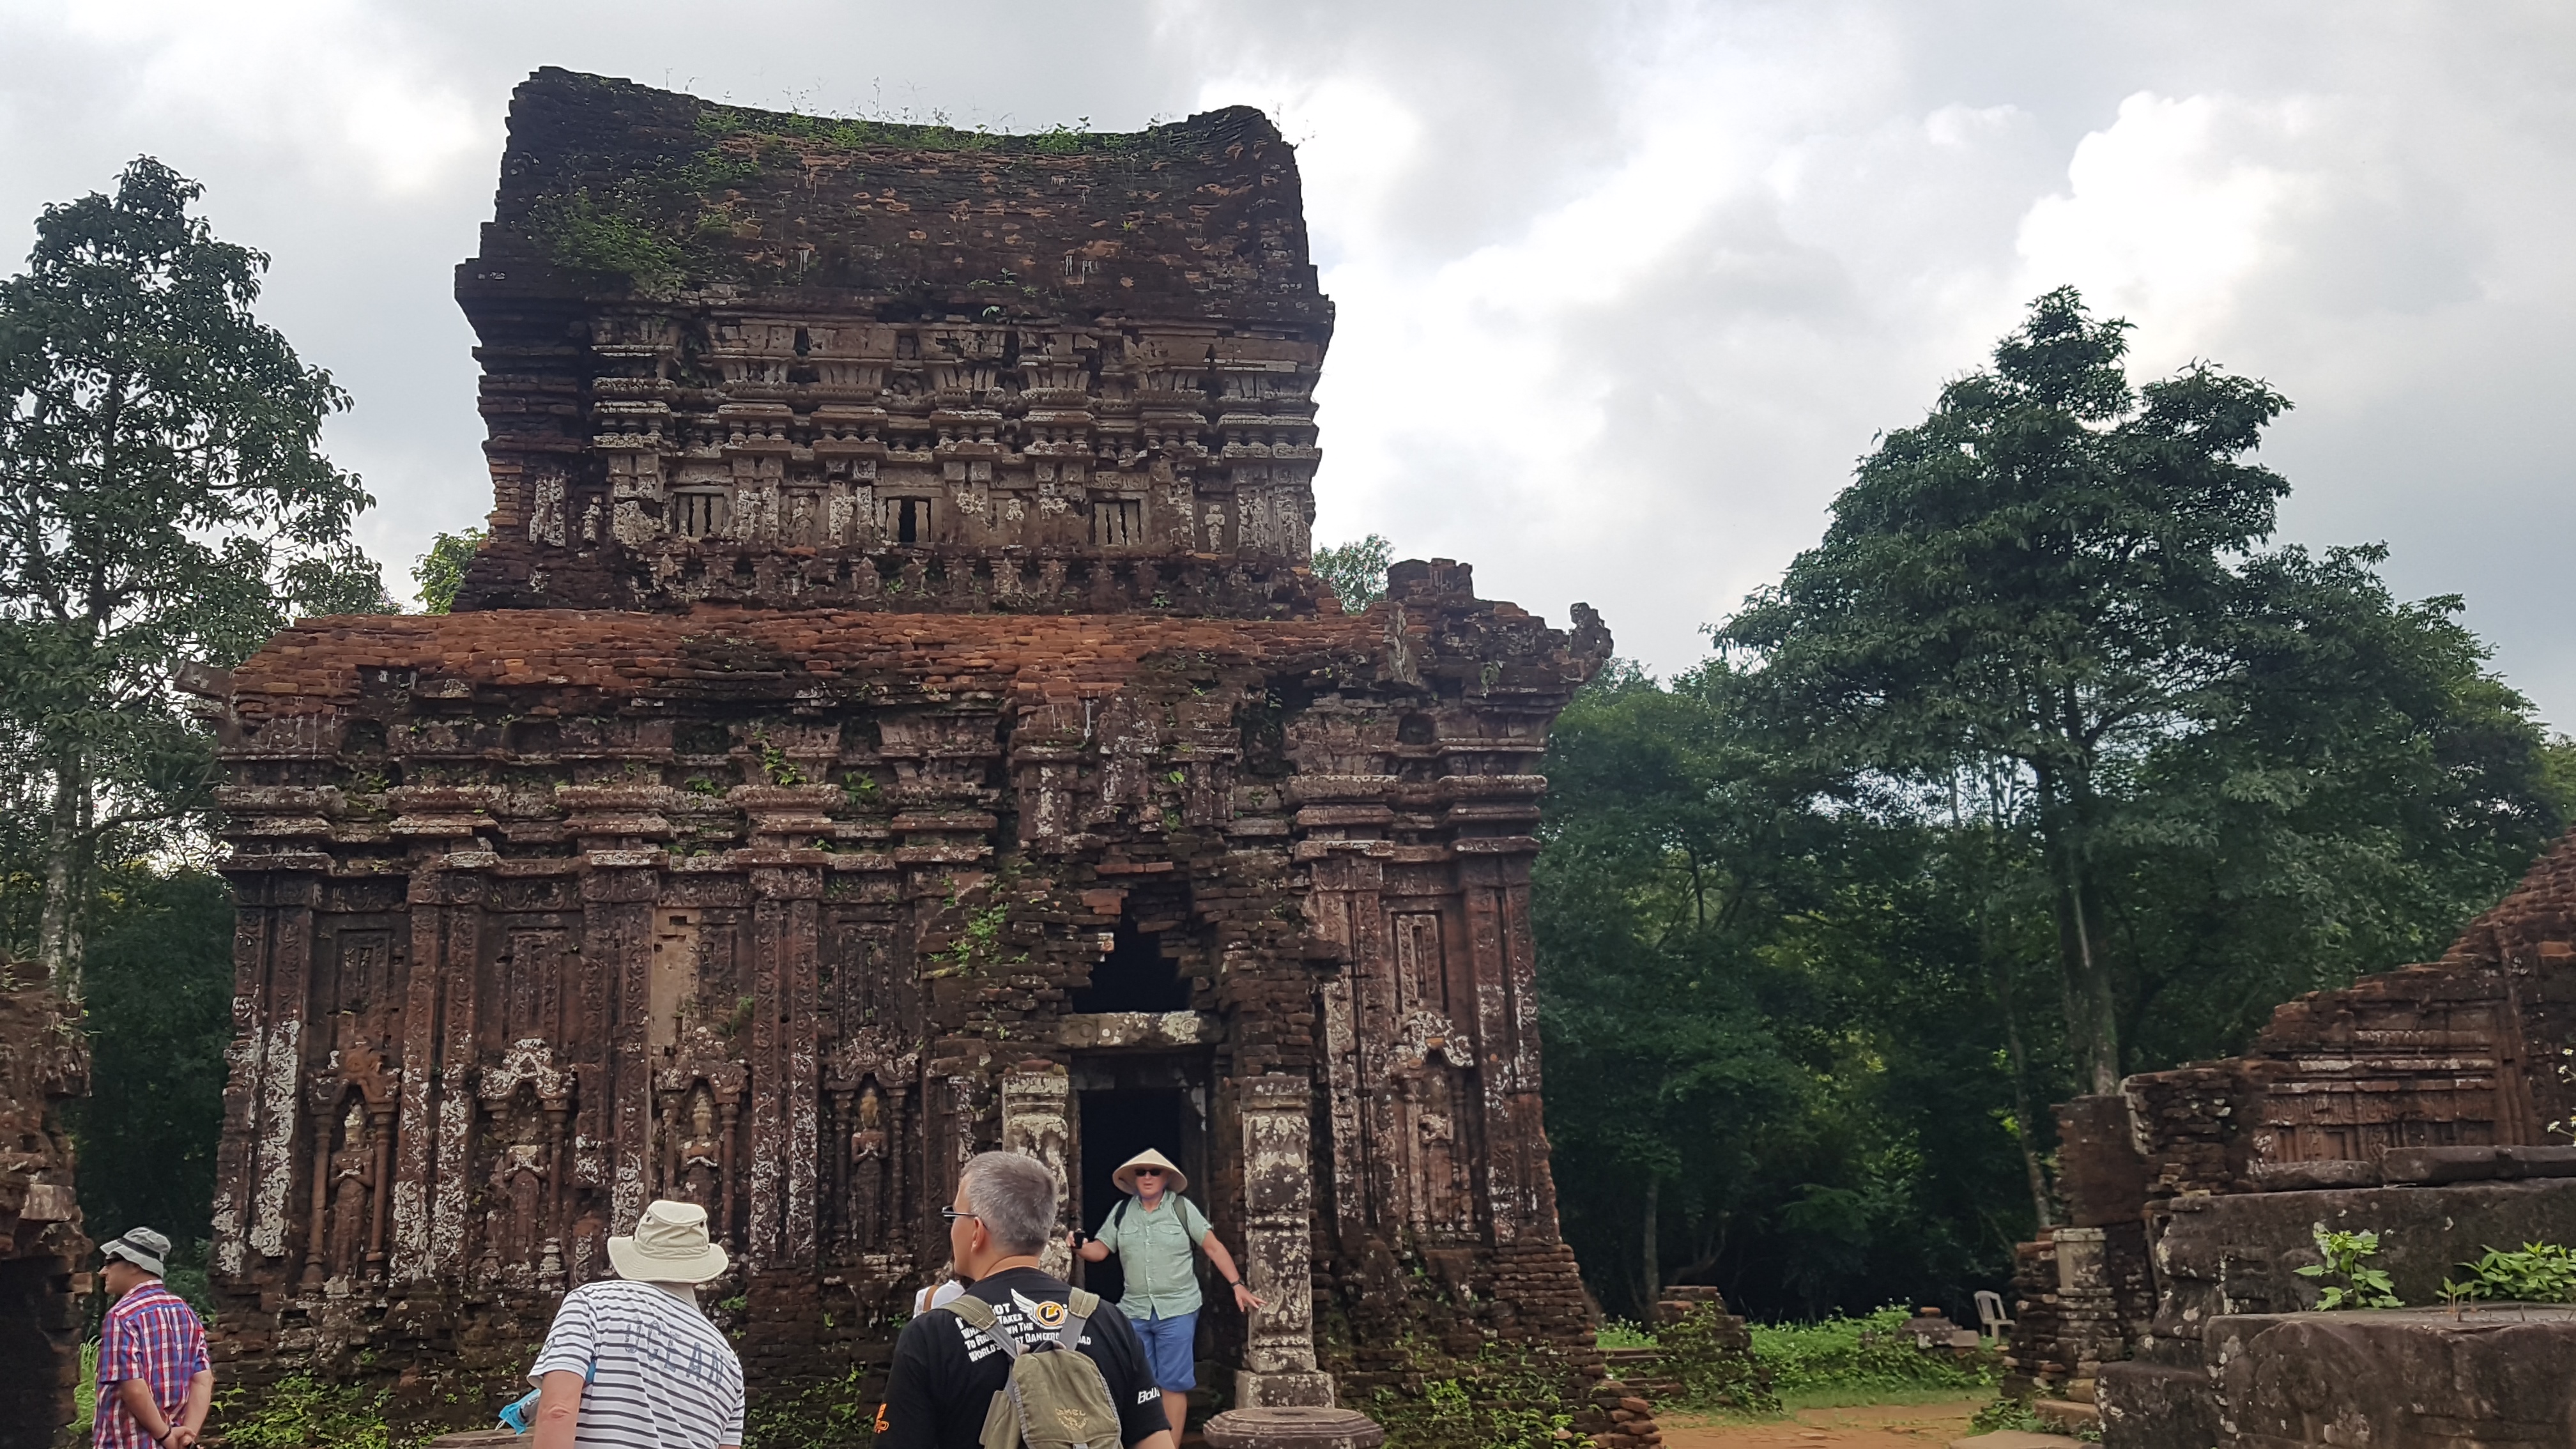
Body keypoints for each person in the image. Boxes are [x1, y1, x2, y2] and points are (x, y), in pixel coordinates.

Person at [877, 1151, 1173, 1449]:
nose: (952, 1229)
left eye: (955, 1217)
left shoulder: (933, 1335)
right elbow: (1156, 1443)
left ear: (977, 1231)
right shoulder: (1109, 1321)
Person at [1068, 1149, 1263, 1436]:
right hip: (1134, 1310)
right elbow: (1100, 1251)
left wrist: (1237, 1285)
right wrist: (1078, 1246)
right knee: (1139, 1383)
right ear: (1133, 1178)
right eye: (1141, 1172)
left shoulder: (1182, 1208)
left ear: (1167, 1178)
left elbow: (1213, 1247)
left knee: (1172, 1383)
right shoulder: (1122, 1212)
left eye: (1155, 1172)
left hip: (1178, 1308)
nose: (1148, 1177)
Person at [526, 1199, 745, 1449]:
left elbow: (558, 1411)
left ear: (639, 1251)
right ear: (699, 1271)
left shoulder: (592, 1304)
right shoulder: (729, 1362)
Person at [94, 1227, 211, 1449]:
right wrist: (187, 1438)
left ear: (135, 1265)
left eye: (110, 1262)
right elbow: (202, 1379)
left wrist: (165, 1437)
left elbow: (133, 1388)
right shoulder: (184, 1311)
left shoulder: (121, 1316)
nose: (103, 1272)